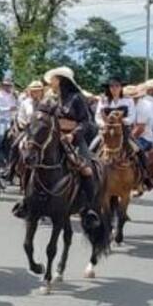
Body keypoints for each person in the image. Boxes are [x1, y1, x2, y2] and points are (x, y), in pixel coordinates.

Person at [16, 66, 101, 231]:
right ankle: (27, 201)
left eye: (54, 79)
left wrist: (73, 134)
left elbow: (86, 122)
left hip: (73, 139)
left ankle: (89, 208)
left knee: (87, 169)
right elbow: (42, 116)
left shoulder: (77, 98)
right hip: (52, 138)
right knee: (29, 160)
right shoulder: (52, 98)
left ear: (61, 80)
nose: (51, 82)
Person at [0, 74, 19, 143]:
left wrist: (17, 99)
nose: (7, 87)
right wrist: (9, 108)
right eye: (6, 85)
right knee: (1, 136)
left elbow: (18, 106)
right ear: (3, 86)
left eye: (9, 85)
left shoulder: (13, 95)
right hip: (3, 119)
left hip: (13, 119)